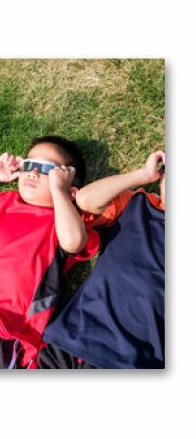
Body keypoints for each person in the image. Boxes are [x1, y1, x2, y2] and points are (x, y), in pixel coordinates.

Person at [0, 136, 100, 369]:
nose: (33, 173)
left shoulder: (62, 223)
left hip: (2, 331)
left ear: (69, 188)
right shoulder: (0, 203)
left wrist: (59, 192)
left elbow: (74, 242)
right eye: (29, 165)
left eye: (47, 170)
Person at [39, 151, 165, 369]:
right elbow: (86, 200)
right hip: (73, 339)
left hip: (132, 362)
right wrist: (143, 175)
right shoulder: (140, 204)